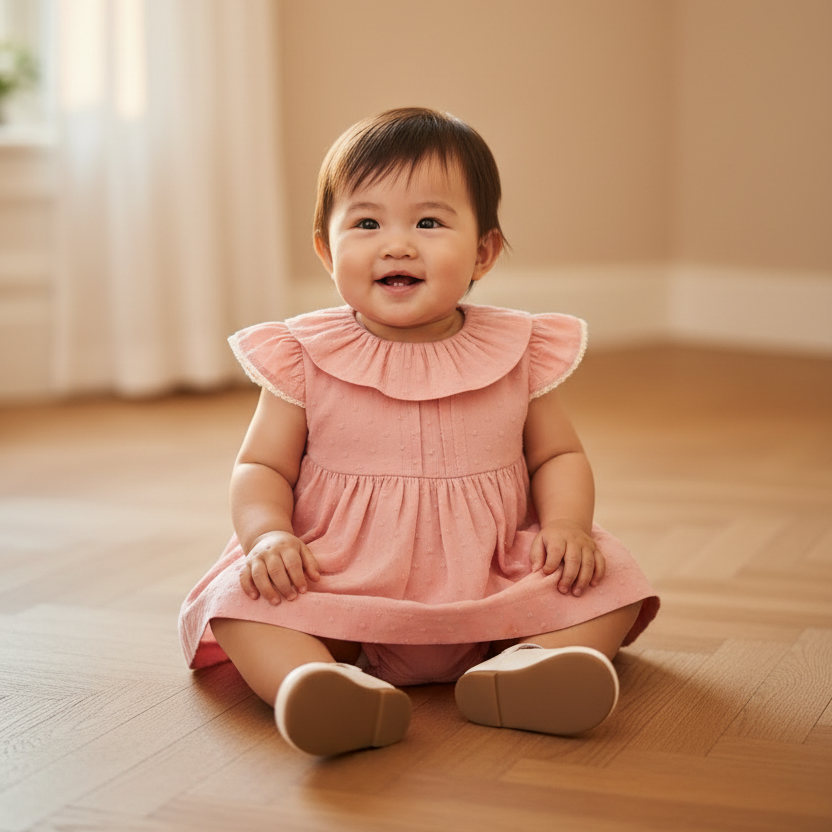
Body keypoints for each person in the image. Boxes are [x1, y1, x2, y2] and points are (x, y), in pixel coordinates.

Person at [179, 107, 659, 756]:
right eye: (367, 223)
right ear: (326, 248)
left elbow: (557, 455)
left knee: (611, 581)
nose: (397, 244)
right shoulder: (302, 355)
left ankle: (526, 667)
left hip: (492, 578)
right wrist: (268, 536)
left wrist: (568, 527)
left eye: (429, 222)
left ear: (483, 252)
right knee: (239, 599)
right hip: (343, 579)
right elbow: (262, 467)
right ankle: (313, 679)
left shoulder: (518, 349)